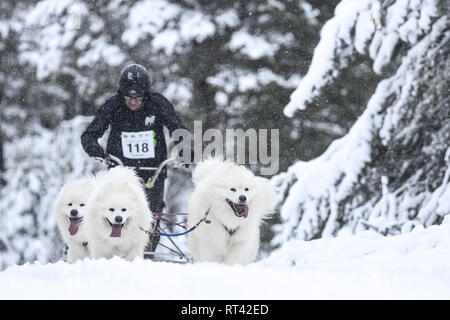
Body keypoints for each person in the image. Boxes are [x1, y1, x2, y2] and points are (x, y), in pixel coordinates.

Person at [81, 63, 187, 253]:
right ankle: (115, 251)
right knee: (119, 211)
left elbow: (177, 129)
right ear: (122, 95)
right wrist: (95, 150)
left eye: (138, 98)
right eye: (128, 98)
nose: (133, 102)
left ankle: (147, 254)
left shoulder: (158, 104)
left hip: (154, 170)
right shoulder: (113, 106)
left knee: (151, 214)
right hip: (121, 171)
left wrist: (185, 148)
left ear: (146, 95)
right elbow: (89, 134)